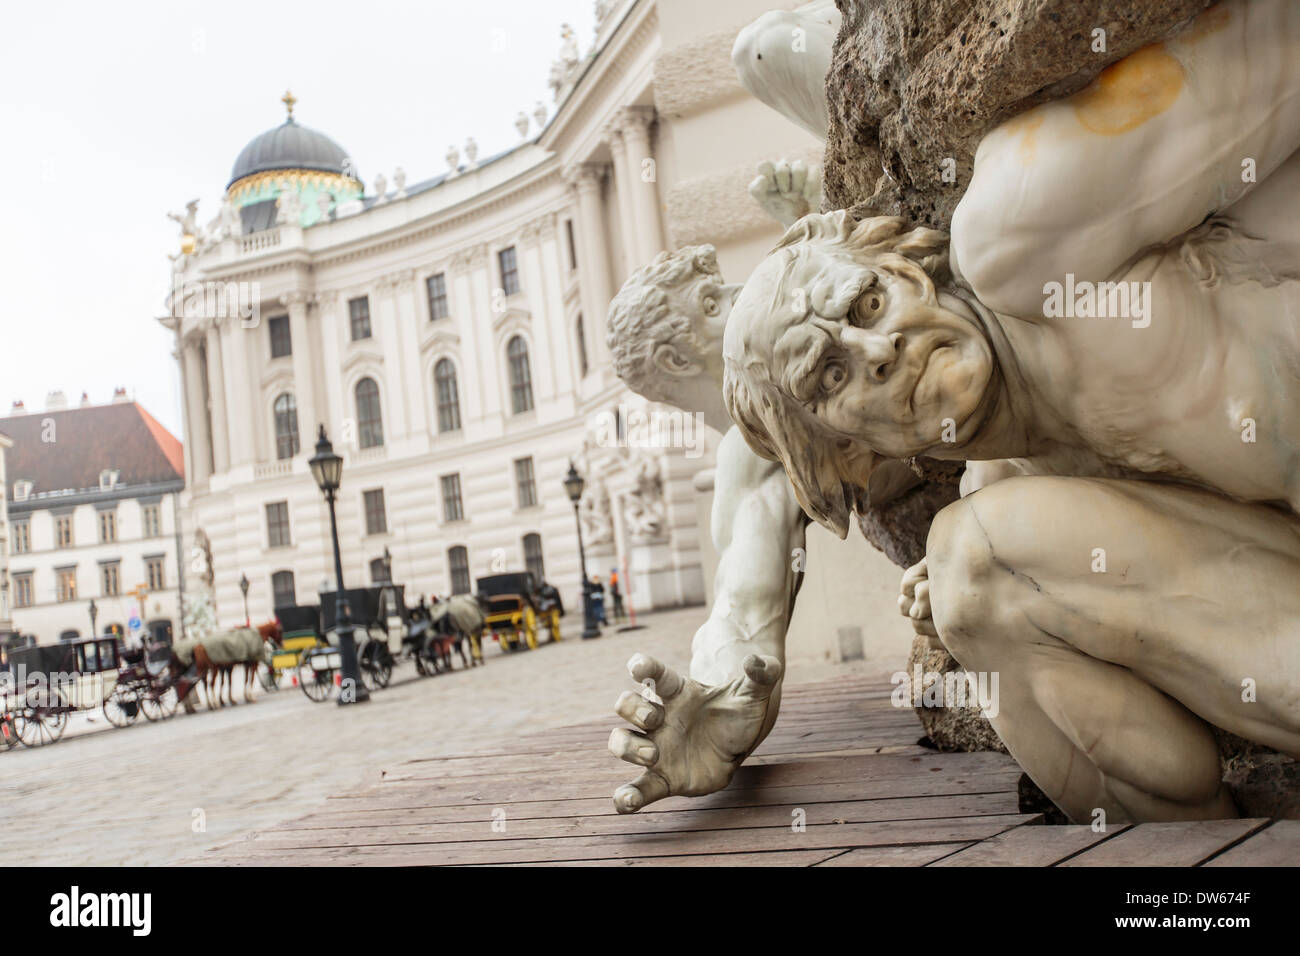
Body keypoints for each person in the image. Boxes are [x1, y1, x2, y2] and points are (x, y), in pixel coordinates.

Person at [723, 0, 1300, 822]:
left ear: (910, 264)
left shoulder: (1026, 234)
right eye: (830, 373)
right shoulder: (1005, 506)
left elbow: (1278, 43)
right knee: (972, 576)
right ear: (849, 455)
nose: (878, 349)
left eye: (865, 304)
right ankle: (1192, 887)